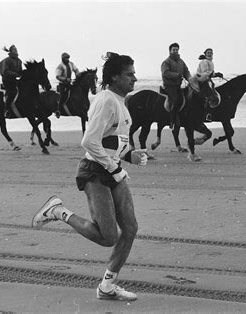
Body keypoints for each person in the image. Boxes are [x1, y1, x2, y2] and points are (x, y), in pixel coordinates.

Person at [32, 52, 147, 301]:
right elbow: (89, 141)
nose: (134, 79)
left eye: (134, 74)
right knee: (108, 237)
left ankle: (107, 286)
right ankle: (58, 211)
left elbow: (112, 141)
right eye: (129, 74)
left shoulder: (119, 101)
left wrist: (130, 156)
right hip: (94, 171)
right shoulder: (106, 100)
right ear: (114, 76)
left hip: (112, 169)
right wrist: (114, 168)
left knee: (130, 228)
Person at [161, 42, 191, 129]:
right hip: (169, 86)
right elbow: (165, 73)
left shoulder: (181, 62)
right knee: (176, 100)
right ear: (170, 51)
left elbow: (186, 71)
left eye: (177, 50)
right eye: (173, 50)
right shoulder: (166, 62)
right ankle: (172, 120)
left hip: (178, 85)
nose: (175, 51)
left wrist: (190, 79)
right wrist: (177, 75)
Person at [196, 48, 223, 121]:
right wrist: (215, 74)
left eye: (211, 52)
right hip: (201, 79)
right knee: (210, 94)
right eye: (208, 53)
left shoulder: (210, 61)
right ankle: (207, 113)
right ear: (205, 54)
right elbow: (205, 73)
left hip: (206, 79)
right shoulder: (204, 62)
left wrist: (217, 74)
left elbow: (210, 74)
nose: (210, 54)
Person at [0, 45, 23, 118]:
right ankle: (7, 110)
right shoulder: (6, 60)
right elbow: (4, 71)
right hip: (7, 80)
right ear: (11, 51)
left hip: (15, 80)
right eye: (14, 49)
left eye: (16, 49)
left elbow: (20, 71)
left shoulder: (19, 61)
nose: (16, 50)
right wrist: (16, 74)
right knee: (12, 92)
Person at [55, 52, 80, 117]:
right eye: (66, 58)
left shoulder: (71, 64)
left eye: (68, 58)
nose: (67, 59)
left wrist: (77, 75)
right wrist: (66, 79)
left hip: (69, 83)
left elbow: (76, 70)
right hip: (62, 85)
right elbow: (58, 76)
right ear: (63, 59)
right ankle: (58, 110)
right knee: (63, 96)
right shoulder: (60, 66)